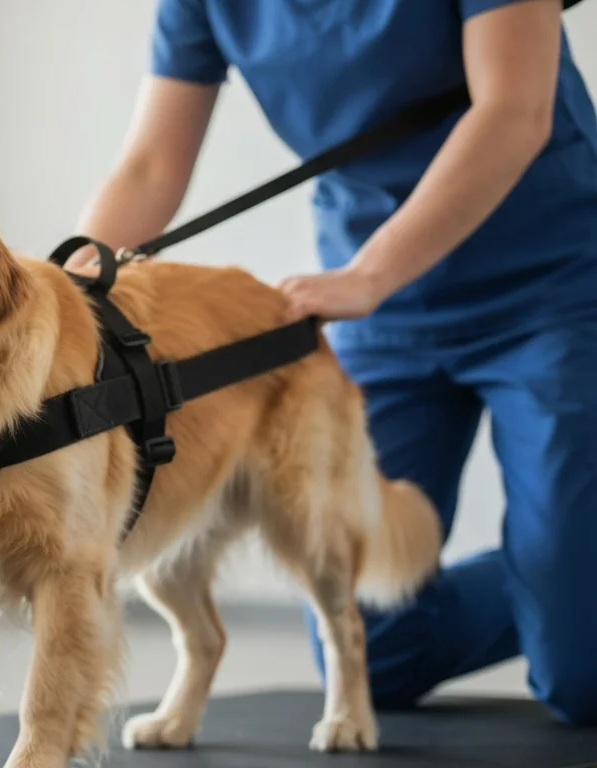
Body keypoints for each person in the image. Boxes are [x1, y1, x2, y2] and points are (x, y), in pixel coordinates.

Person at [72, 0, 597, 725]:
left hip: (554, 286)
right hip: (386, 310)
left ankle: (570, 581)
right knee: (379, 657)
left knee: (581, 677)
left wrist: (374, 273)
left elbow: (513, 110)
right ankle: (567, 574)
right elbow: (150, 165)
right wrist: (63, 304)